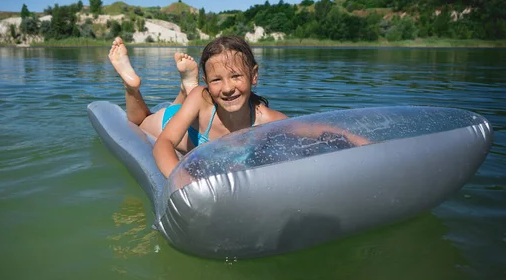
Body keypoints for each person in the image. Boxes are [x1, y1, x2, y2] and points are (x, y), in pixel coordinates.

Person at [152, 36, 369, 180]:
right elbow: (163, 143)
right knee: (138, 119)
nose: (228, 88)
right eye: (216, 80)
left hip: (197, 117)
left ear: (253, 76)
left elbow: (314, 129)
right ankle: (139, 87)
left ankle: (185, 88)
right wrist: (181, 181)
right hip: (168, 122)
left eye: (236, 76)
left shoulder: (265, 118)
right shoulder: (202, 97)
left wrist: (367, 146)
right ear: (207, 83)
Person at [108, 36, 200, 153]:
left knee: (146, 119)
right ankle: (186, 89)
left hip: (181, 118)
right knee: (140, 124)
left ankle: (185, 90)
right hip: (181, 126)